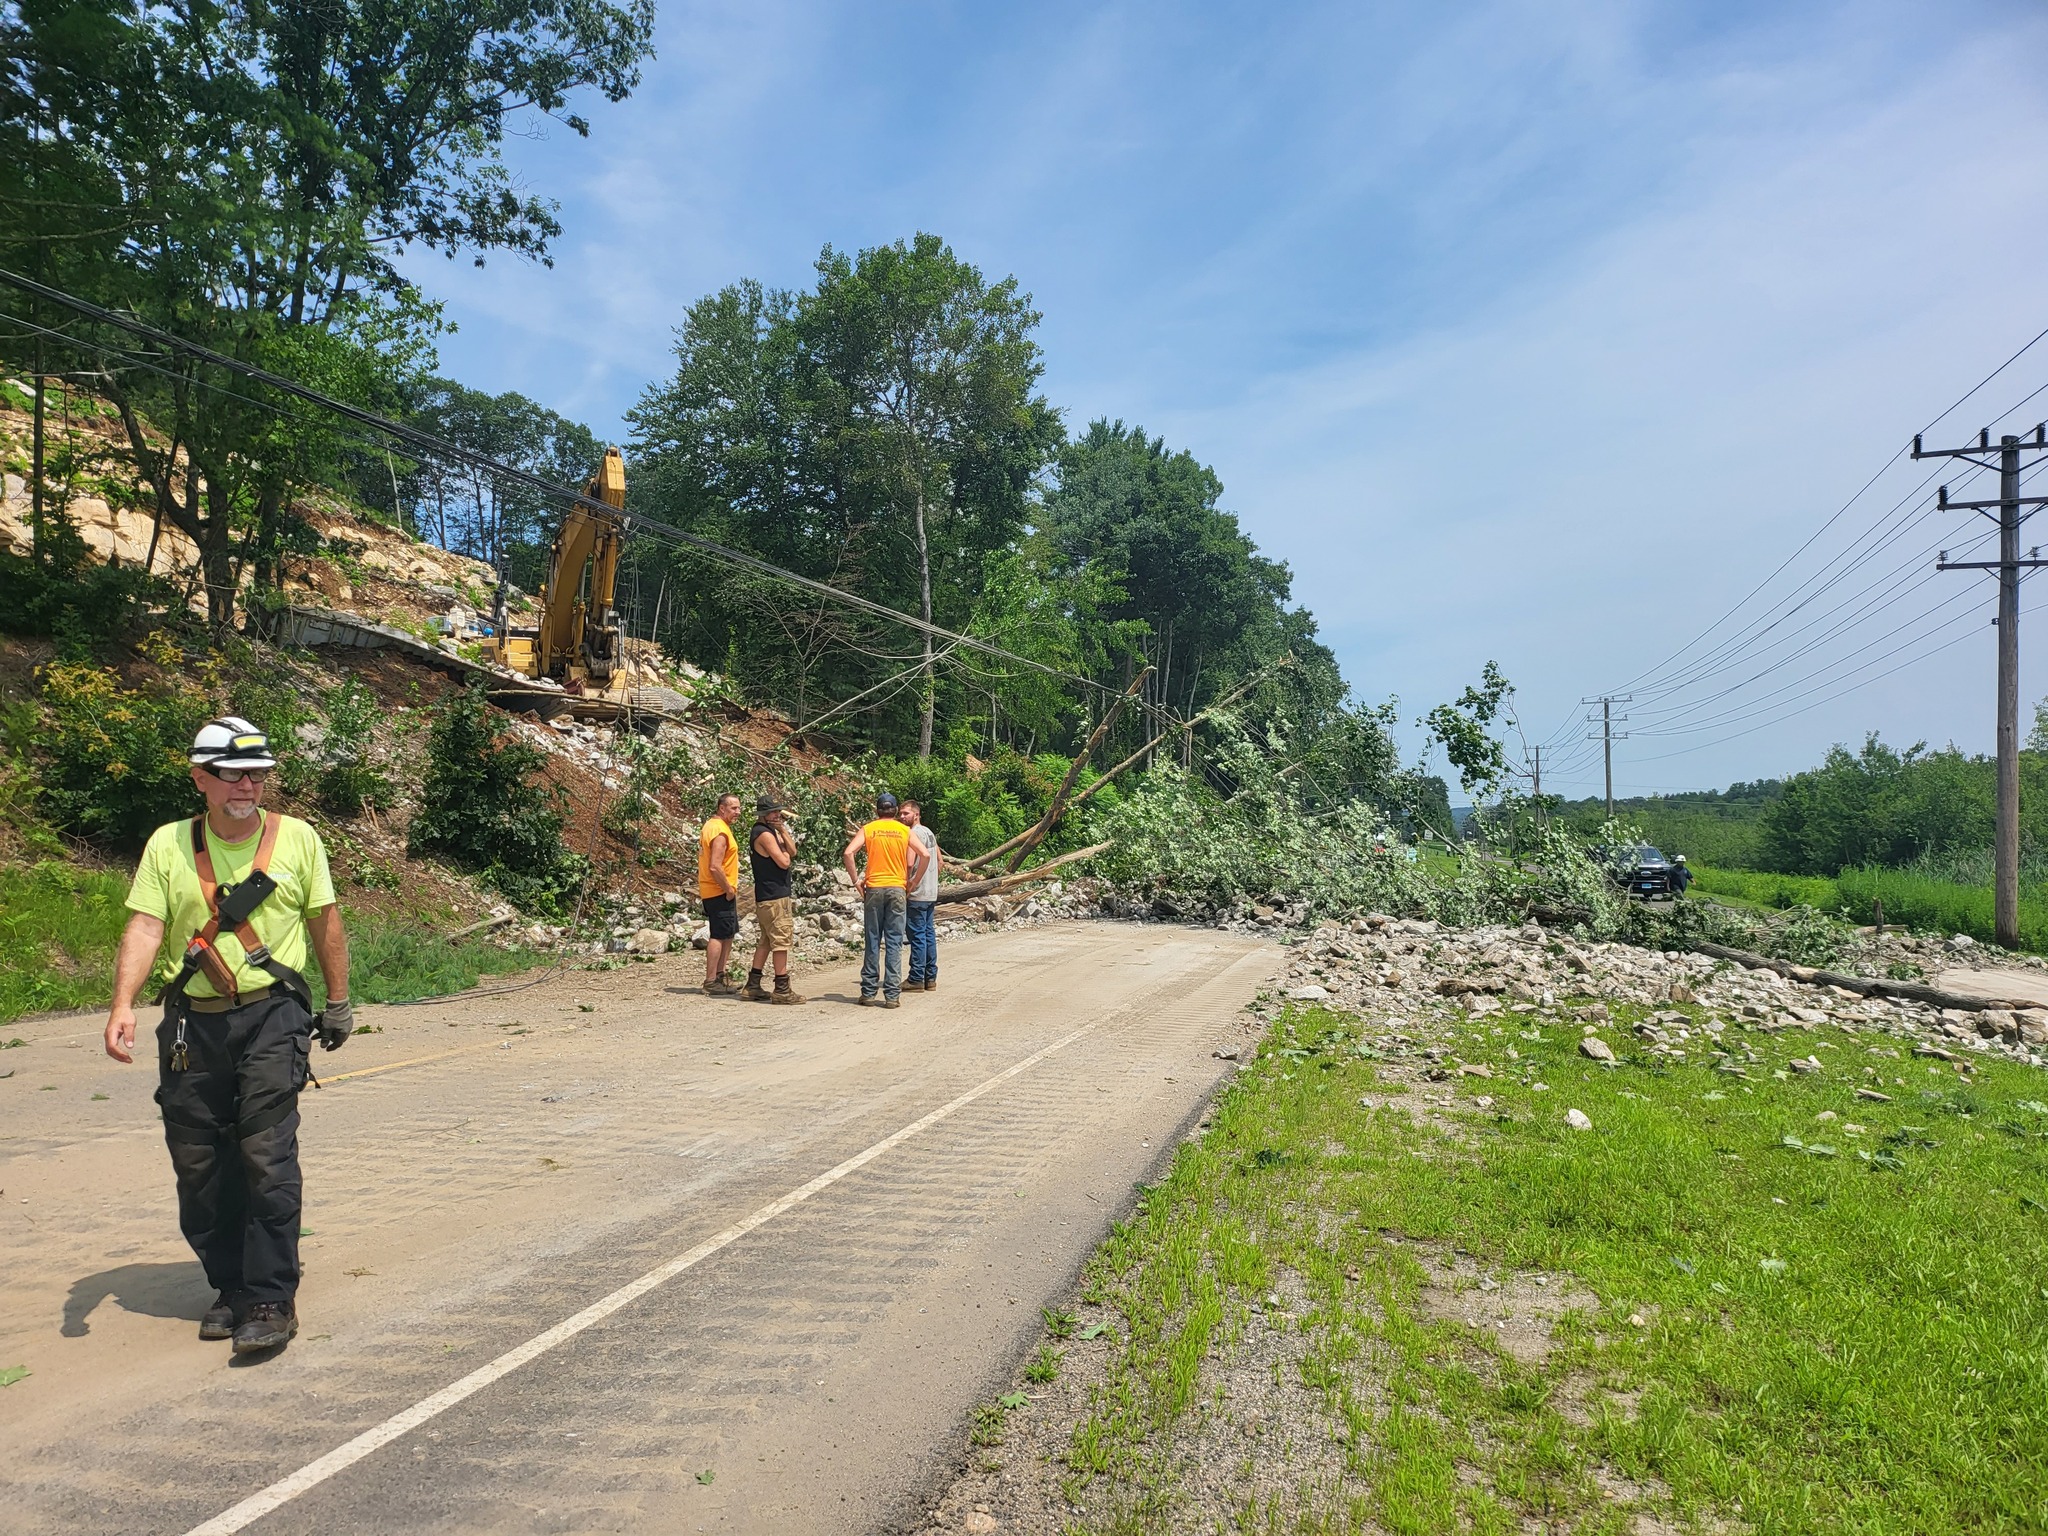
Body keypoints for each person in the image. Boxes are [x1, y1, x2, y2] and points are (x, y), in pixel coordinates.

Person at [102, 716, 353, 1356]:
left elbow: (326, 921)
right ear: (200, 779)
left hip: (273, 1015)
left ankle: (271, 1296)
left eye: (260, 772)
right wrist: (123, 1003)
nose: (249, 783)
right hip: (191, 1020)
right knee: (199, 1159)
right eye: (234, 772)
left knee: (266, 1154)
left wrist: (339, 1001)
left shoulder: (297, 839)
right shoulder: (168, 845)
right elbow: (145, 928)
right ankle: (231, 1286)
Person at [842, 790, 929, 1007]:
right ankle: (892, 995)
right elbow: (925, 855)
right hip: (897, 889)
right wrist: (913, 882)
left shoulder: (869, 829)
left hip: (874, 888)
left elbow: (848, 853)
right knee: (894, 941)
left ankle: (869, 992)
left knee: (872, 939)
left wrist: (855, 881)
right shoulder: (904, 830)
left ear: (877, 810)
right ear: (896, 811)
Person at [741, 795, 804, 1004]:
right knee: (780, 941)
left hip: (768, 895)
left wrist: (783, 831)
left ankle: (753, 985)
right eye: (774, 812)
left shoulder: (771, 832)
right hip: (774, 896)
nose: (778, 815)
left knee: (766, 940)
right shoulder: (764, 835)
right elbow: (784, 861)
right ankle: (782, 988)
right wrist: (783, 847)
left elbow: (792, 851)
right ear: (764, 815)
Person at [699, 792, 742, 996]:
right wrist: (728, 889)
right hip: (718, 890)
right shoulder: (719, 832)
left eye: (739, 808)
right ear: (721, 808)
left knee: (727, 933)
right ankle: (711, 979)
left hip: (714, 890)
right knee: (719, 934)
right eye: (733, 808)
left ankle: (720, 975)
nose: (738, 812)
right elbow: (715, 866)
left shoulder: (712, 826)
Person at [900, 799, 941, 993]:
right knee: (928, 934)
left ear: (916, 814)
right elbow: (939, 861)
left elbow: (909, 863)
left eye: (906, 813)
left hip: (917, 894)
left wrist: (908, 884)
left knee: (917, 936)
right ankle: (930, 977)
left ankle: (916, 978)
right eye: (900, 813)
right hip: (931, 892)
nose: (902, 817)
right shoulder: (929, 833)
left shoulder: (913, 834)